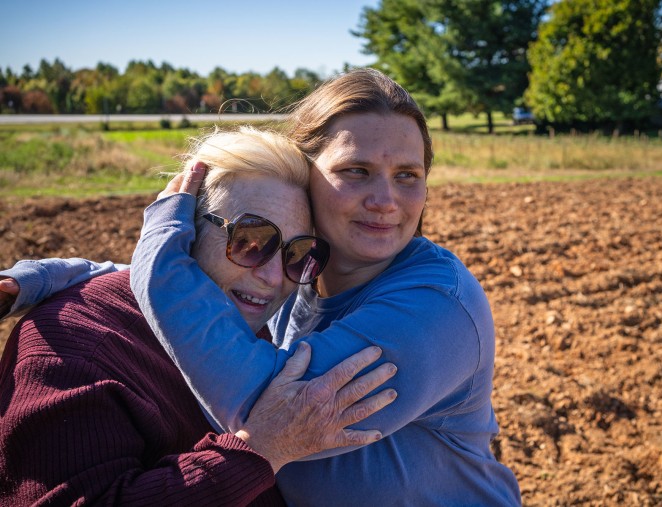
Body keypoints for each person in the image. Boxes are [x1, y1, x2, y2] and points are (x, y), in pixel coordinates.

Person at [1, 68, 521, 505]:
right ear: (307, 177)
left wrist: (160, 250)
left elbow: (269, 405)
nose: (385, 199)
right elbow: (210, 278)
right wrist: (56, 274)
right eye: (356, 170)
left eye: (408, 174)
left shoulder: (435, 305)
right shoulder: (303, 272)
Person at [0, 127, 398, 505]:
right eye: (250, 241)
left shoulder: (240, 329)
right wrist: (259, 450)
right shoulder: (71, 350)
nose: (274, 277)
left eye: (296, 254)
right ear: (184, 227)